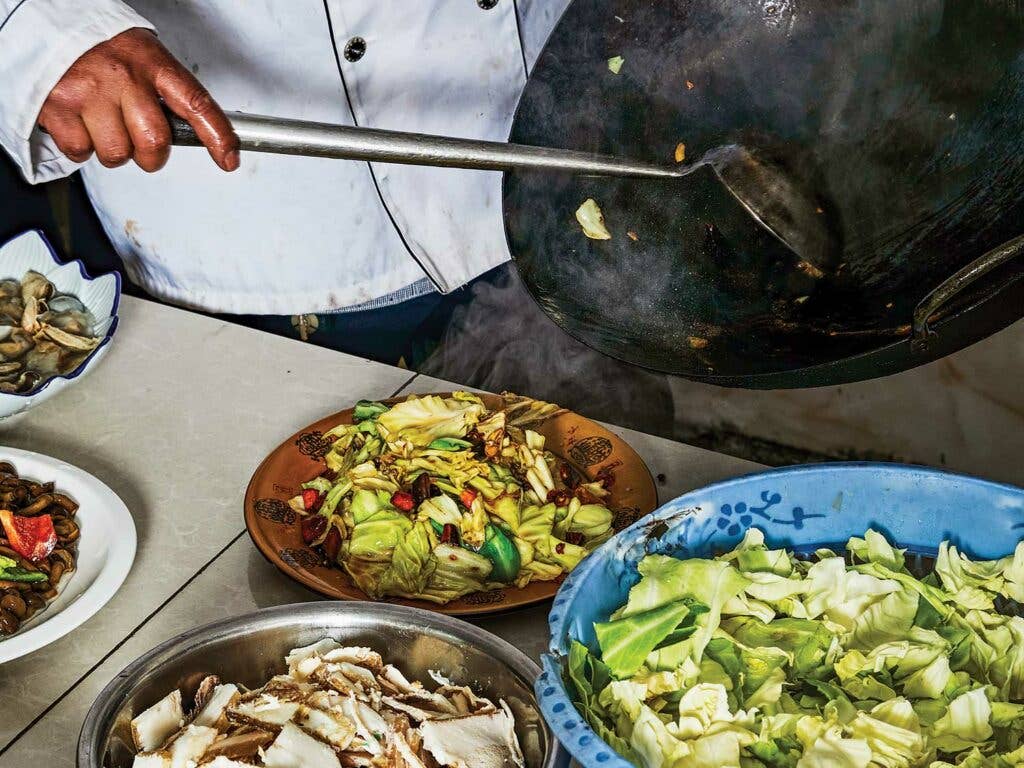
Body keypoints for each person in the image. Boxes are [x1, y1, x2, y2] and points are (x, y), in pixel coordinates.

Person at [0, 0, 673, 432]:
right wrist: (36, 31)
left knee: (612, 490)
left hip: (555, 132)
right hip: (278, 220)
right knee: (311, 542)